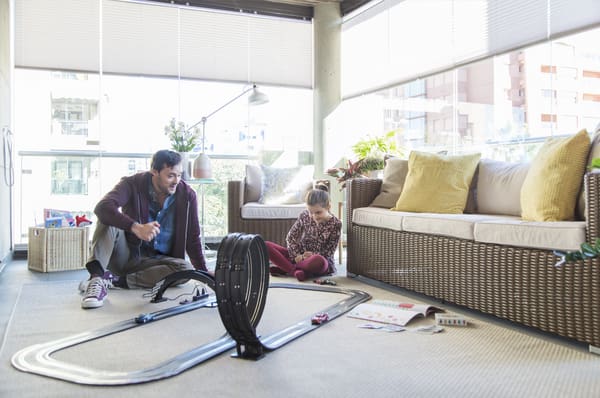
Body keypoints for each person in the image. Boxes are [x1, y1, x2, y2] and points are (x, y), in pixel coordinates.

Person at [80, 150, 207, 309]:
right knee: (108, 218)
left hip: (157, 263)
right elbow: (102, 207)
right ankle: (96, 279)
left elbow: (192, 237)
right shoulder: (131, 184)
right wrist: (136, 227)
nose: (176, 181)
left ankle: (115, 281)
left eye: (179, 175)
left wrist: (203, 272)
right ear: (154, 171)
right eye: (170, 176)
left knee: (186, 270)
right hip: (126, 257)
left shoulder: (187, 195)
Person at [266, 183, 341, 281]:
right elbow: (291, 237)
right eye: (311, 212)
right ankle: (294, 271)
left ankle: (287, 268)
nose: (314, 216)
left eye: (318, 212)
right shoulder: (304, 216)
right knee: (265, 245)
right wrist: (297, 256)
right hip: (298, 256)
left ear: (328, 207)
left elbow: (329, 252)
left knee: (320, 261)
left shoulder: (336, 224)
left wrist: (310, 255)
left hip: (318, 261)